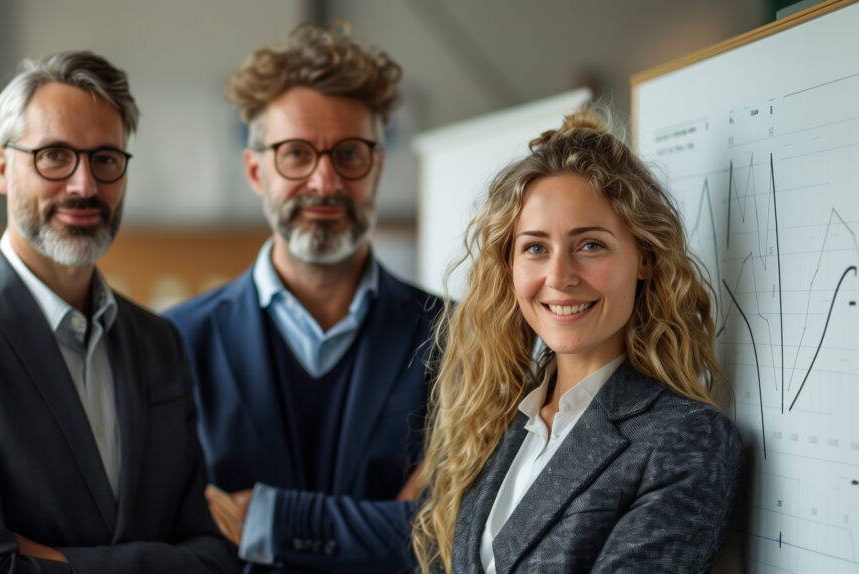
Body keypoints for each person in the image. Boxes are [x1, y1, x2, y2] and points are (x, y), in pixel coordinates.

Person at [0, 50, 239, 573]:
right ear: (2, 167)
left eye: (105, 158)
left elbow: (215, 559)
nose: (84, 185)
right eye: (55, 156)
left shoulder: (158, 342)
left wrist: (60, 563)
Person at [411, 109, 743, 573]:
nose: (559, 277)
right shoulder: (494, 421)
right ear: (509, 266)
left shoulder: (684, 439)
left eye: (590, 245)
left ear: (644, 258)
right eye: (535, 248)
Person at [163, 22, 441, 573]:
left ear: (378, 166)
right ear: (255, 169)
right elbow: (171, 533)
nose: (324, 181)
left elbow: (443, 533)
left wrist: (266, 519)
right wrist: (379, 526)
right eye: (295, 154)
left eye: (350, 154)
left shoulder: (456, 337)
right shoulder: (171, 343)